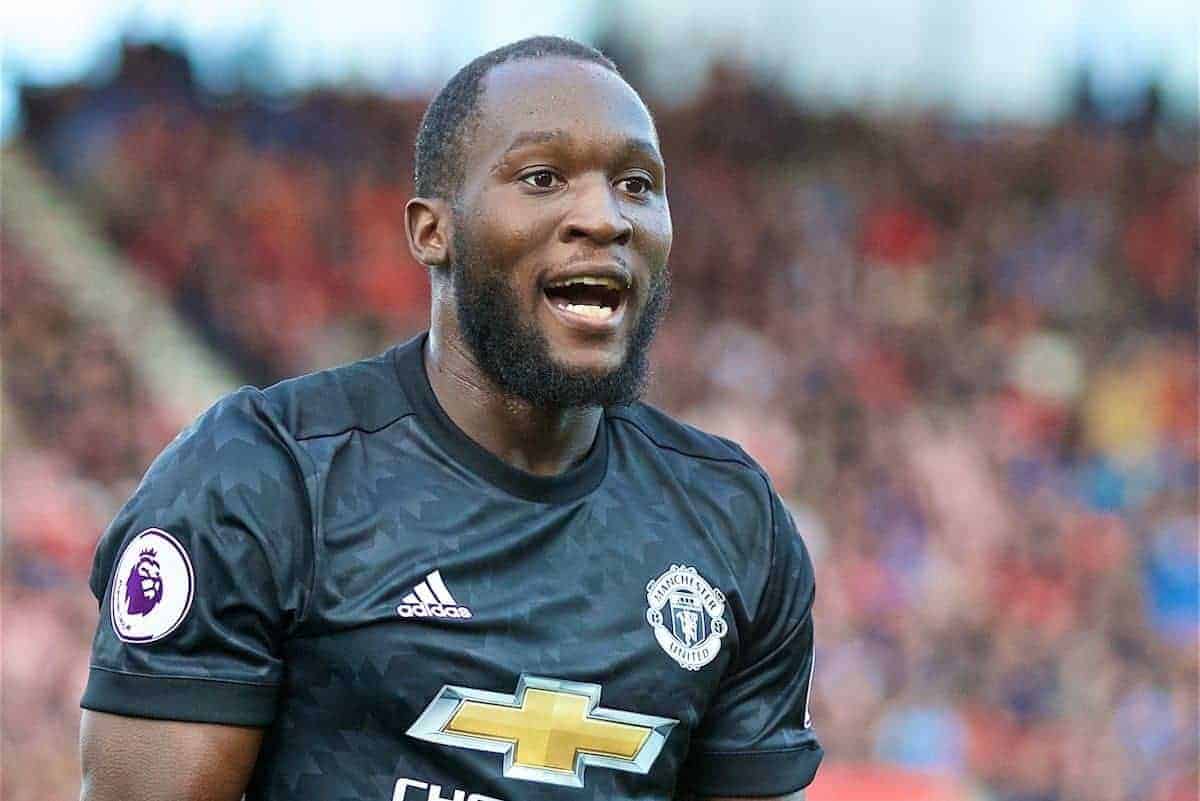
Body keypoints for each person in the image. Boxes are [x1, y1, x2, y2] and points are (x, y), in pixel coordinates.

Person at [79, 36, 822, 801]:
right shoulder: (263, 480)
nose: (605, 217)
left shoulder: (734, 524)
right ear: (433, 231)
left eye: (637, 184)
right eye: (543, 177)